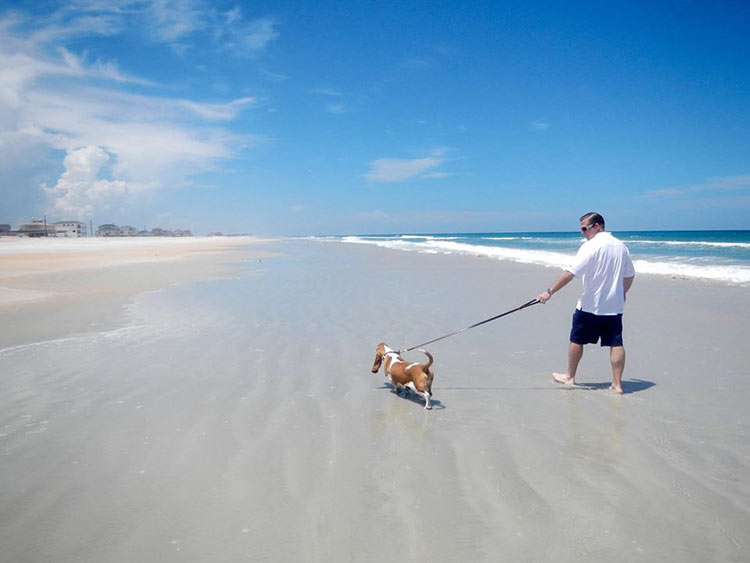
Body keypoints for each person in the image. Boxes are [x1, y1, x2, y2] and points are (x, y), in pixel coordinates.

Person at [536, 212, 635, 394]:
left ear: (597, 226)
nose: (583, 233)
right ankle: (617, 385)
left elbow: (571, 272)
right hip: (614, 307)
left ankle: (570, 376)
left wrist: (549, 292)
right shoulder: (621, 246)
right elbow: (630, 275)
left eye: (585, 228)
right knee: (616, 343)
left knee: (576, 339)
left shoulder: (591, 246)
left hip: (590, 305)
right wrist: (622, 293)